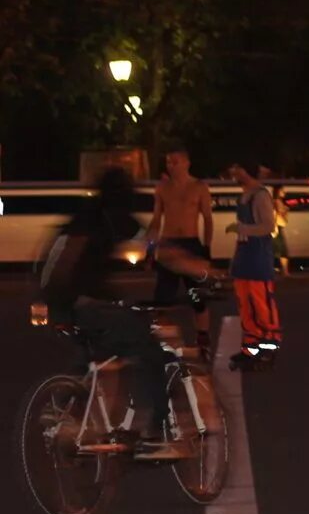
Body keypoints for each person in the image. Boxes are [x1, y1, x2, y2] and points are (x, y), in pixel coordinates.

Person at [40, 168, 206, 459]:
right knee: (149, 348)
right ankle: (155, 435)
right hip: (83, 300)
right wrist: (204, 271)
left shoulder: (84, 214)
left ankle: (62, 407)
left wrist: (57, 302)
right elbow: (161, 251)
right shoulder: (115, 216)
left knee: (100, 350)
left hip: (60, 302)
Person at [147, 147, 215, 357]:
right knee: (162, 298)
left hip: (191, 243)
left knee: (197, 296)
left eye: (175, 162)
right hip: (168, 245)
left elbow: (208, 218)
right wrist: (150, 248)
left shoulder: (199, 187)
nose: (171, 166)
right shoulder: (162, 188)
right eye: (168, 162)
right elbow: (157, 219)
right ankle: (163, 344)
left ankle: (203, 340)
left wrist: (206, 248)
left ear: (187, 163)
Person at [225, 164, 282, 369]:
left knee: (261, 305)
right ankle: (251, 350)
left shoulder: (260, 195)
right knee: (246, 306)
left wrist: (241, 228)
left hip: (258, 257)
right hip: (244, 257)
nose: (233, 174)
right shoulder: (246, 195)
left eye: (237, 169)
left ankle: (268, 349)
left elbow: (268, 226)